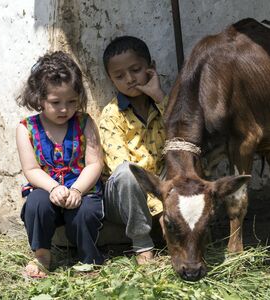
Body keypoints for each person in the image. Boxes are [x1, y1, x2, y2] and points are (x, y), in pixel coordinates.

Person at [16, 51, 105, 278]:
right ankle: (42, 255)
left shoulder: (84, 123)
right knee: (36, 203)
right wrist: (54, 188)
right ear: (39, 98)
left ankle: (89, 258)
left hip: (82, 190)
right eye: (56, 103)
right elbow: (31, 169)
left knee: (85, 211)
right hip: (47, 190)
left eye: (72, 102)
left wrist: (77, 190)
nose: (65, 109)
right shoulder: (27, 128)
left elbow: (94, 163)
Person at [99, 36, 166, 265]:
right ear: (111, 80)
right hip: (124, 198)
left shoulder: (164, 105)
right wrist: (161, 210)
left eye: (136, 70)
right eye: (119, 76)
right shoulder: (111, 115)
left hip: (162, 187)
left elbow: (182, 135)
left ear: (151, 68)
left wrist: (159, 97)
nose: (129, 79)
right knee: (128, 172)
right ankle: (143, 245)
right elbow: (121, 170)